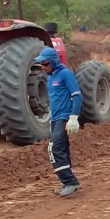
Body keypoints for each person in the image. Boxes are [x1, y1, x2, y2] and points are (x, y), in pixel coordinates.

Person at [36, 46, 82, 196]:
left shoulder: (65, 74)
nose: (43, 67)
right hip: (55, 118)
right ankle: (67, 183)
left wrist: (73, 117)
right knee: (62, 149)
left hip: (64, 117)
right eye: (41, 64)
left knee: (53, 148)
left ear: (54, 61)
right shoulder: (51, 77)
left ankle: (70, 182)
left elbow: (77, 95)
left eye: (45, 64)